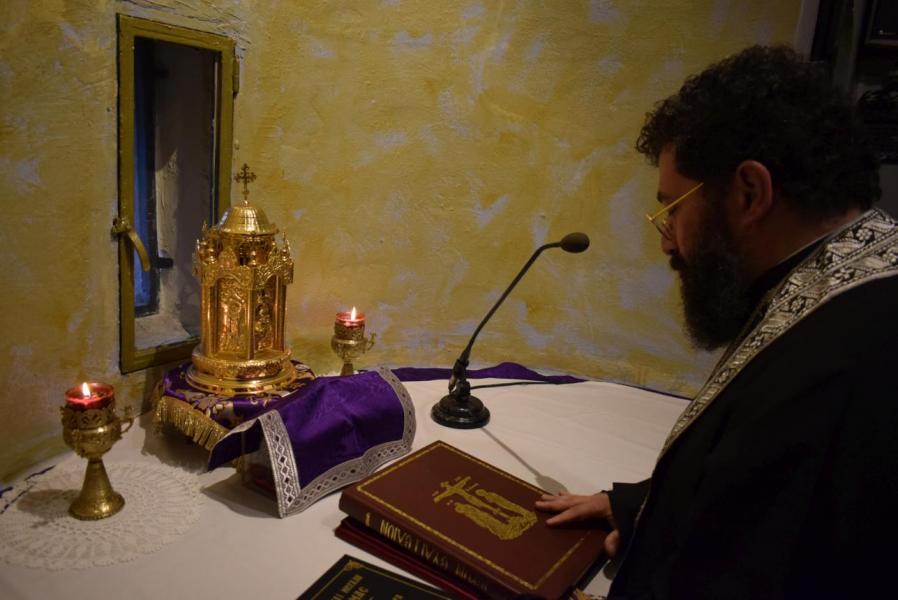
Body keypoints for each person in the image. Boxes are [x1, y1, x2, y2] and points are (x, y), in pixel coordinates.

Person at [536, 45, 898, 599]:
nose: (666, 242)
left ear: (749, 193)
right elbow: (756, 489)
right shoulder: (851, 272)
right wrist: (644, 508)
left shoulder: (830, 370)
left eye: (673, 210)